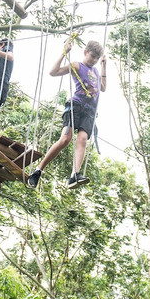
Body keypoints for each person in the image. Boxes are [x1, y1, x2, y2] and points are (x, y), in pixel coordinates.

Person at [26, 38, 107, 190]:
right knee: (65, 139)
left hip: (90, 111)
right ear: (85, 52)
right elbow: (53, 72)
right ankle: (38, 170)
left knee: (82, 139)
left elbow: (103, 88)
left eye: (97, 58)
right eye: (92, 56)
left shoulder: (96, 70)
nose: (94, 60)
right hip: (75, 106)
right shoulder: (77, 65)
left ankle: (74, 175)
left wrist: (103, 66)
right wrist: (64, 53)